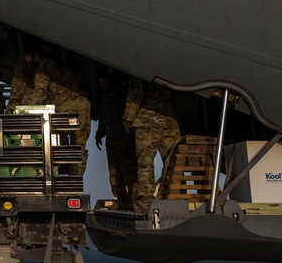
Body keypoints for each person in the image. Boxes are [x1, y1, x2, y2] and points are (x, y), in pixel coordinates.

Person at [27, 48, 92, 176]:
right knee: (78, 150)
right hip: (82, 108)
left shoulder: (43, 69)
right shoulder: (59, 65)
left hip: (65, 112)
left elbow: (39, 94)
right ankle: (75, 183)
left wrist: (22, 112)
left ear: (35, 57)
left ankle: (54, 181)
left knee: (54, 149)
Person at [123, 78, 181, 212]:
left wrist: (128, 118)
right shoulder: (170, 70)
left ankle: (145, 202)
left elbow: (135, 95)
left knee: (145, 165)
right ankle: (173, 196)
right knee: (172, 163)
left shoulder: (142, 71)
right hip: (169, 121)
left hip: (146, 122)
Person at [93, 69, 136, 210]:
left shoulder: (121, 98)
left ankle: (135, 201)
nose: (104, 86)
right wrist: (99, 135)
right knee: (114, 173)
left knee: (129, 172)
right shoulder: (104, 100)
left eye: (105, 83)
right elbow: (102, 121)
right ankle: (122, 201)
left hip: (124, 140)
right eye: (101, 84)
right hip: (111, 141)